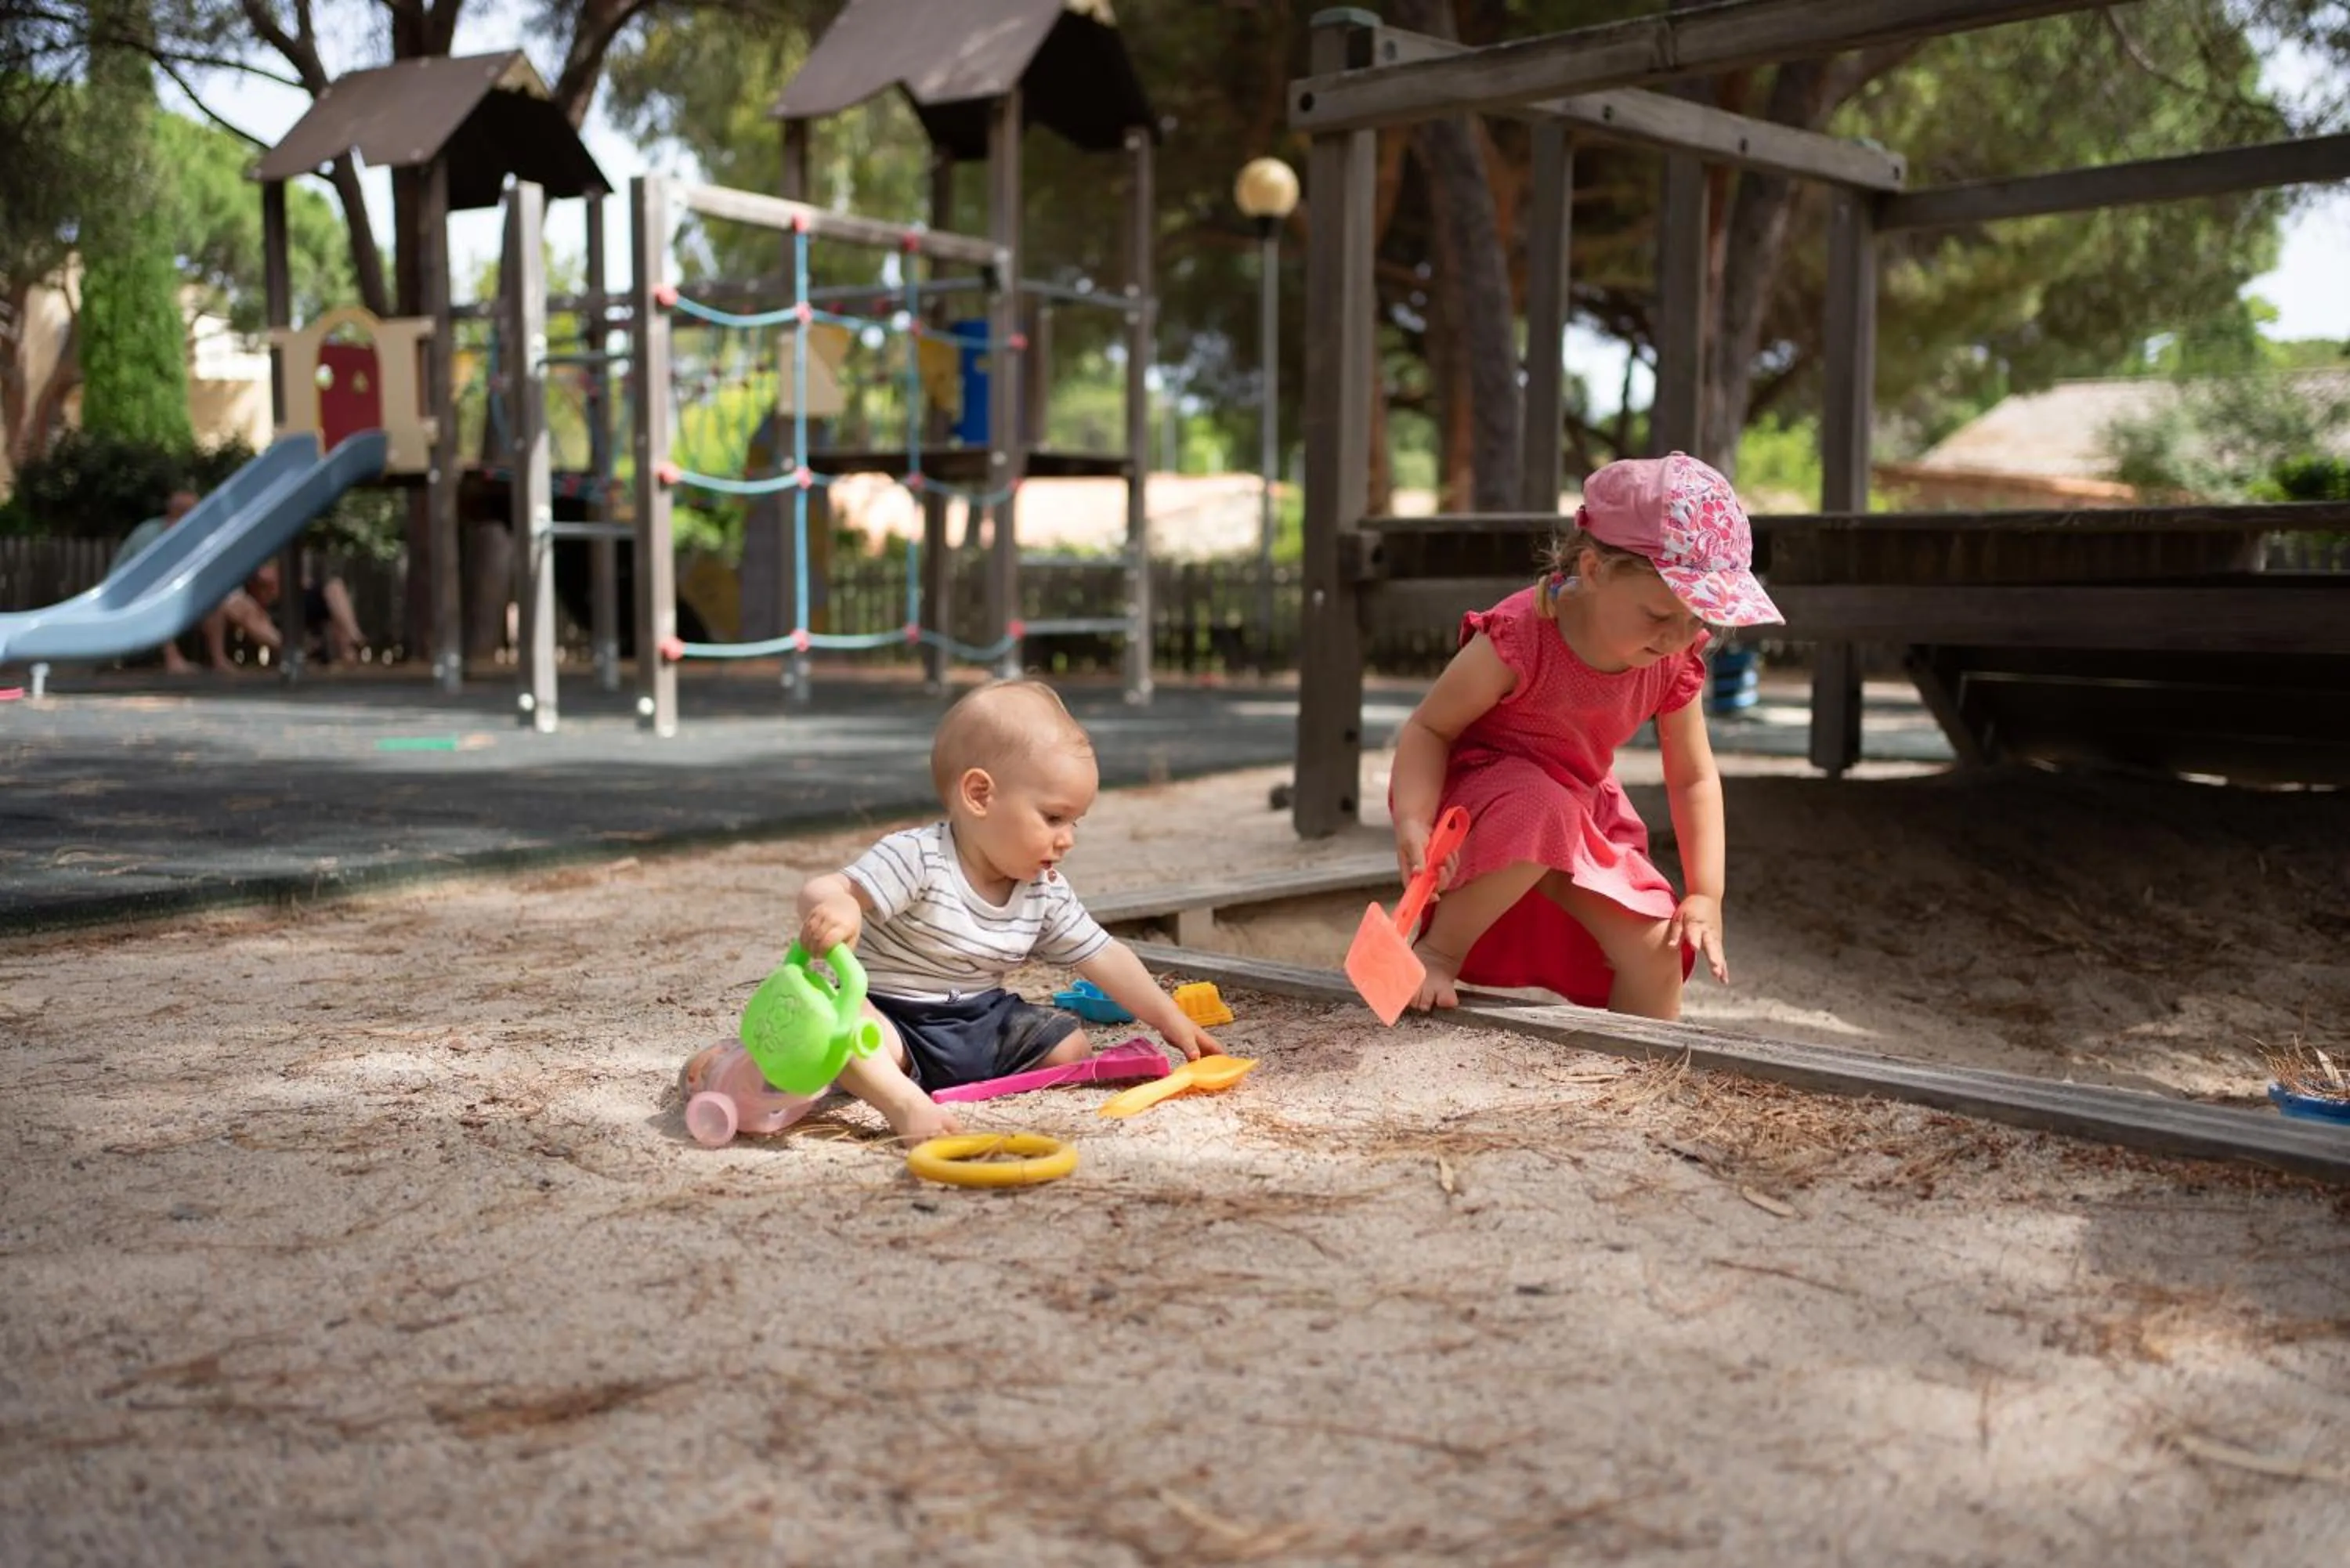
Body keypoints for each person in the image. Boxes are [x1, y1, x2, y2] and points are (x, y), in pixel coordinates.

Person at [1386, 451, 1784, 1021]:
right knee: (1539, 804)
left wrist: (1706, 893)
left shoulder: (1673, 660)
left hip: (1580, 805)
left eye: (1697, 620)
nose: (1678, 637)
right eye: (1659, 615)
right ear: (1595, 570)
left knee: (1659, 947)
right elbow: (1430, 728)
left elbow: (1693, 775)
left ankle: (1637, 1078)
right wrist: (1413, 821)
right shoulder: (1522, 636)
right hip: (1482, 803)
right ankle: (1438, 952)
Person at [793, 678, 1223, 1141]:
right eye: (1053, 818)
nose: (1068, 838)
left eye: (1074, 822)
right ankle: (903, 1104)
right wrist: (839, 906)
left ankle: (910, 1077)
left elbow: (1103, 954)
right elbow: (825, 887)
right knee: (846, 1028)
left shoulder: (1043, 889)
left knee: (1071, 1045)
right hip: (895, 1018)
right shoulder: (918, 857)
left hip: (982, 1018)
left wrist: (1170, 1018)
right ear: (980, 795)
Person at [110, 488, 280, 674]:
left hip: (179, 593)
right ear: (178, 517)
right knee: (157, 602)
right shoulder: (149, 534)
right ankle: (173, 660)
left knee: (225, 602)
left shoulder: (195, 537)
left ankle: (228, 659)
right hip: (129, 596)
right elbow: (146, 580)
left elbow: (213, 570)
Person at [243, 558, 369, 665]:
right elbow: (264, 579)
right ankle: (297, 652)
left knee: (335, 586)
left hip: (297, 597)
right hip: (272, 609)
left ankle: (355, 638)